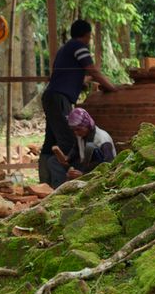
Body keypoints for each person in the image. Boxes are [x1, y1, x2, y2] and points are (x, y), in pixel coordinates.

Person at [39, 19, 118, 185]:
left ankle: (44, 184)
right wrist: (112, 87)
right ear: (87, 35)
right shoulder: (79, 47)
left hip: (51, 96)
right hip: (60, 98)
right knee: (68, 140)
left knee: (51, 142)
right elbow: (92, 70)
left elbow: (79, 77)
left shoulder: (65, 49)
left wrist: (87, 81)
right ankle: (68, 184)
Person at [48, 108, 116, 187]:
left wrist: (83, 175)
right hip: (85, 166)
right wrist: (66, 158)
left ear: (87, 125)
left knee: (90, 148)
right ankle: (59, 187)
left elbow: (108, 167)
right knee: (53, 161)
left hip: (100, 172)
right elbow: (74, 152)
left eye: (78, 129)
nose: (76, 133)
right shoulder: (80, 135)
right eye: (73, 130)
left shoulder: (102, 139)